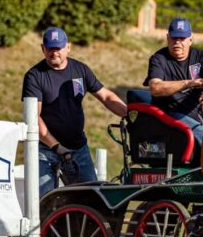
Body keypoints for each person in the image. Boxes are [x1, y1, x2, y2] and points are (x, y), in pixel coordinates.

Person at [22, 26, 127, 197]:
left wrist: (131, 115)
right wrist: (58, 148)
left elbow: (106, 97)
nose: (54, 52)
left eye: (59, 48)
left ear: (68, 47)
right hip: (45, 150)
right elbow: (34, 117)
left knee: (92, 199)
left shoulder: (80, 70)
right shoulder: (34, 76)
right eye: (50, 48)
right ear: (43, 48)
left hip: (78, 148)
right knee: (46, 203)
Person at [143, 17, 203, 146]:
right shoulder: (159, 59)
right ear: (167, 38)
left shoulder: (201, 56)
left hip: (202, 115)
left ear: (190, 40)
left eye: (182, 39)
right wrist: (189, 83)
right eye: (174, 38)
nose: (177, 42)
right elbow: (155, 88)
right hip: (171, 116)